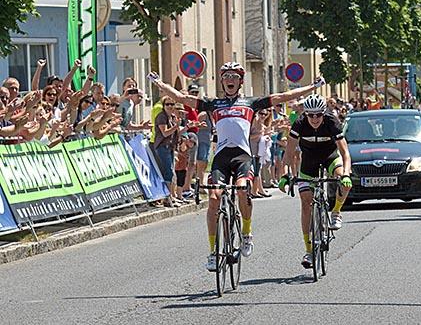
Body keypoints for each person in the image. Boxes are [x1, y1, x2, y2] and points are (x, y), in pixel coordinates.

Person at [149, 62, 326, 272]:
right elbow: (181, 98)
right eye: (226, 77)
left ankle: (246, 233)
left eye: (234, 77)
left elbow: (283, 97)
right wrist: (159, 83)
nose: (230, 80)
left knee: (242, 190)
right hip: (222, 158)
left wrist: (312, 88)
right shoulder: (213, 104)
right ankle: (214, 252)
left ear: (240, 81)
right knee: (214, 198)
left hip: (242, 157)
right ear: (222, 81)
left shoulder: (250, 103)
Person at [279, 94, 352, 269]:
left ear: (323, 112)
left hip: (330, 157)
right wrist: (285, 174)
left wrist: (346, 174)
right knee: (305, 202)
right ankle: (309, 250)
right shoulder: (299, 123)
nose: (314, 119)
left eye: (318, 114)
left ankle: (336, 212)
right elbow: (288, 154)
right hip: (309, 161)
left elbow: (345, 153)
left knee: (343, 180)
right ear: (305, 114)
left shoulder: (331, 121)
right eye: (310, 115)